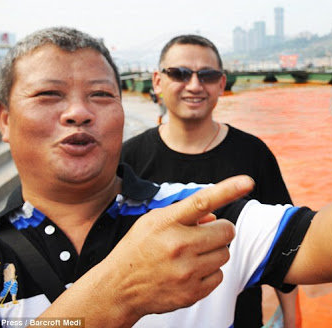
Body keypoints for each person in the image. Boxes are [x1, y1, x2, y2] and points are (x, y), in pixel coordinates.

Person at [0, 27, 332, 327]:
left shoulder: (205, 213)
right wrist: (116, 294)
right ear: (3, 119)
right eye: (49, 95)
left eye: (101, 95)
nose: (79, 113)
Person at [121, 35, 301, 327]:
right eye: (179, 74)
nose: (194, 85)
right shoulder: (128, 160)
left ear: (221, 84)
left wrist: (292, 319)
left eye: (207, 75)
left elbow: (288, 247)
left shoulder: (254, 154)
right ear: (157, 82)